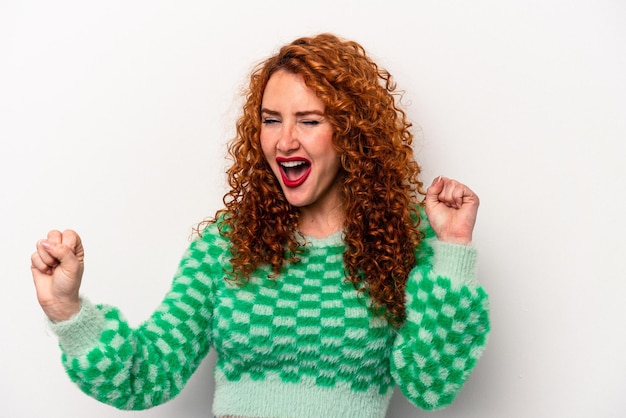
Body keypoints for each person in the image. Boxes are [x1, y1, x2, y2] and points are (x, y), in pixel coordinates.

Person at [30, 33, 490, 418]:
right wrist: (68, 311)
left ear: (353, 134)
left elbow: (432, 385)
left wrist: (452, 246)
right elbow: (146, 374)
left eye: (309, 120)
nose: (285, 140)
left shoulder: (403, 241)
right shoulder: (226, 246)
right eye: (271, 120)